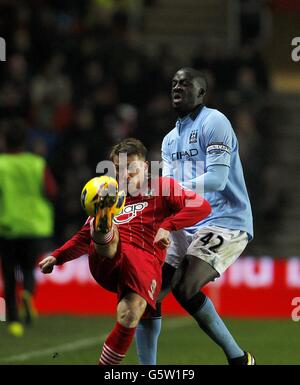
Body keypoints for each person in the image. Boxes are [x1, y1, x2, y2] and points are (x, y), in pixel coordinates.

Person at [39, 138, 211, 365]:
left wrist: (167, 226)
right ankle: (104, 227)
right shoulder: (112, 194)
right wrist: (58, 255)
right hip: (107, 259)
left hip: (143, 263)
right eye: (119, 169)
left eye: (131, 167)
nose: (125, 175)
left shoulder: (162, 187)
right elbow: (82, 238)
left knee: (130, 313)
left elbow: (201, 207)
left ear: (145, 167)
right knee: (106, 233)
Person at [135, 67, 256, 365]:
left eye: (186, 83)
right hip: (187, 224)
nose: (177, 87)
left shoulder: (215, 122)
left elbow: (216, 180)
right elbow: (171, 195)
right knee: (147, 295)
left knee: (186, 287)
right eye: (174, 83)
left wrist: (168, 187)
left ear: (201, 92)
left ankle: (239, 358)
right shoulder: (168, 141)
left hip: (226, 221)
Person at [0, 120, 57, 337]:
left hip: (7, 226)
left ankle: (13, 320)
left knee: (8, 273)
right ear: (25, 141)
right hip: (35, 226)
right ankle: (28, 294)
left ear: (5, 141)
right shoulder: (37, 163)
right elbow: (51, 190)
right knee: (28, 269)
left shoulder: (1, 164)